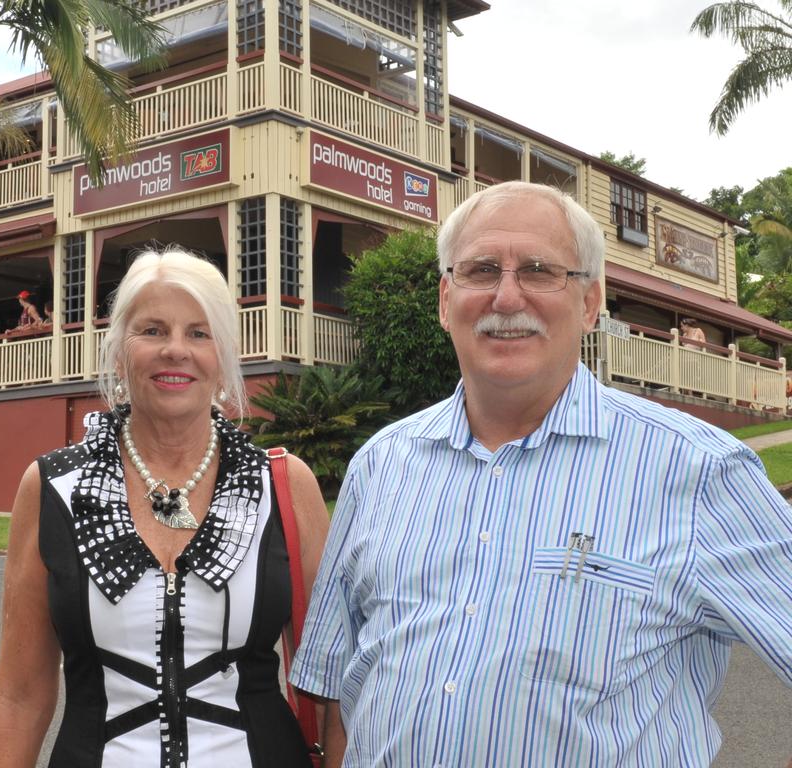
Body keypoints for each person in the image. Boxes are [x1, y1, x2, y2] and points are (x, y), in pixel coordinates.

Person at [290, 181, 792, 766]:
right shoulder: (380, 467)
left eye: (538, 270)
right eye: (481, 270)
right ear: (446, 299)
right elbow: (339, 684)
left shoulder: (700, 472)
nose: (506, 297)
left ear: (589, 302)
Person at [0, 248, 331, 768]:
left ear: (223, 356)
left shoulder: (284, 485)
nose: (175, 350)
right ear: (120, 351)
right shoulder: (52, 487)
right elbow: (19, 692)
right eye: (152, 330)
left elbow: (326, 682)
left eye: (198, 333)